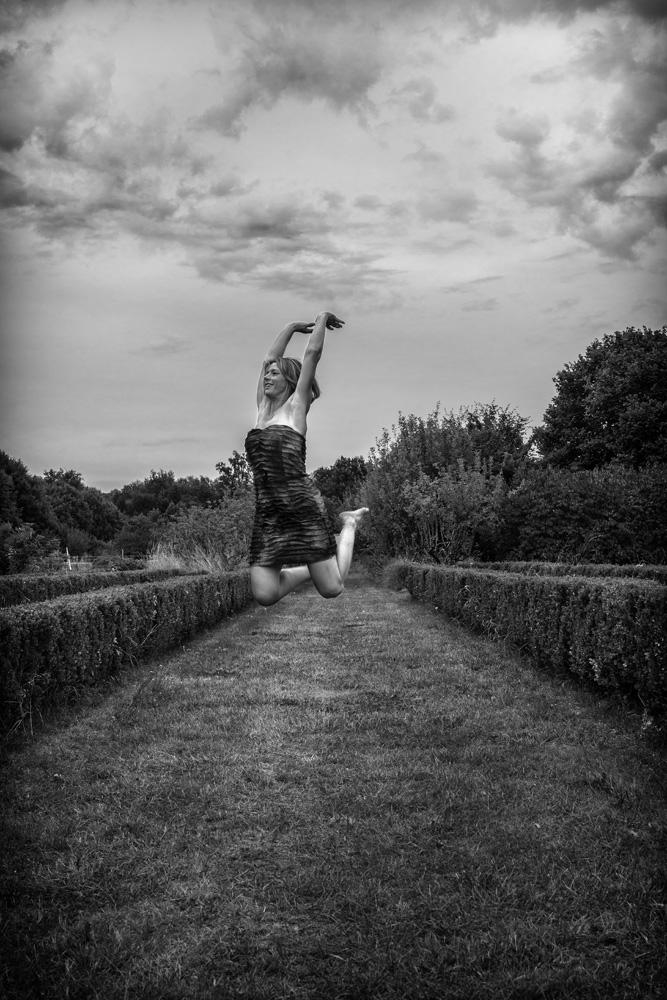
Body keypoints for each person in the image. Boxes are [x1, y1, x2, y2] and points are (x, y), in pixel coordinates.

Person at [244, 311, 368, 607]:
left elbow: (312, 354)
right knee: (264, 594)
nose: (267, 377)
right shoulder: (262, 411)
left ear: (289, 380)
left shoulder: (296, 407)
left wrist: (321, 319)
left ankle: (349, 524)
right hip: (269, 514)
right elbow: (267, 359)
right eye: (267, 374)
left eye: (274, 374)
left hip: (301, 508)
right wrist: (290, 327)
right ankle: (311, 568)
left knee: (332, 588)